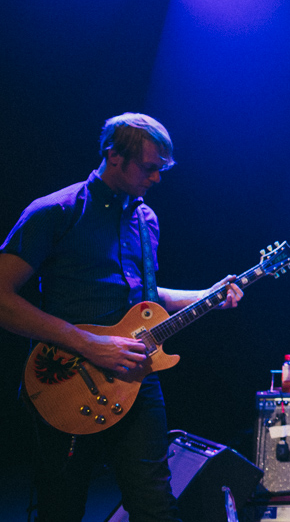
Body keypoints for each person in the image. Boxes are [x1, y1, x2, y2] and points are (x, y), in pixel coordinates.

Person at [0, 113, 243, 522]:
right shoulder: (55, 211)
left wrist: (207, 296)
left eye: (161, 169)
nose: (157, 179)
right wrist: (92, 345)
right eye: (149, 168)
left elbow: (146, 295)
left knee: (156, 506)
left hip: (137, 380)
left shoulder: (146, 220)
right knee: (61, 507)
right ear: (114, 156)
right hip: (67, 380)